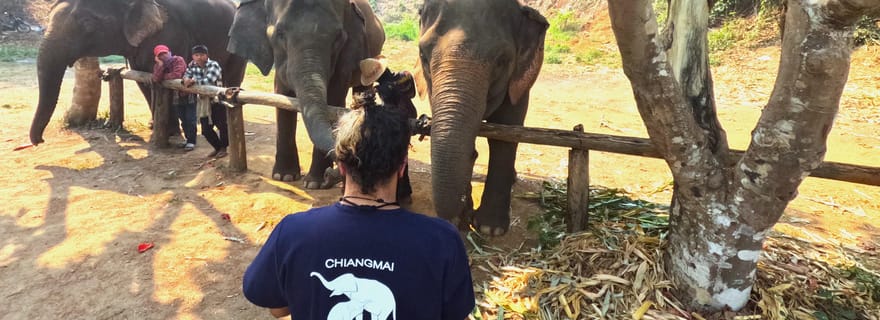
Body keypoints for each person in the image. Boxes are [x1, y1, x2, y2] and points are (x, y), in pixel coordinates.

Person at [242, 91, 475, 320]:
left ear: (341, 166)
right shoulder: (441, 240)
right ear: (402, 166)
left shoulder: (293, 232)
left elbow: (278, 309)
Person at [358, 57, 418, 204]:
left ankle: (400, 193)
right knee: (403, 156)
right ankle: (405, 194)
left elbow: (389, 110)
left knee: (395, 157)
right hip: (410, 117)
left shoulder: (383, 89)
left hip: (396, 125)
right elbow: (412, 95)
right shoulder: (405, 76)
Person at [184, 44, 228, 158]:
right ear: (193, 56)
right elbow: (186, 76)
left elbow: (209, 80)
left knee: (222, 126)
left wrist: (193, 81)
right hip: (203, 102)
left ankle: (224, 148)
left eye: (202, 55)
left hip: (217, 101)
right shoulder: (192, 65)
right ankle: (218, 147)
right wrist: (186, 80)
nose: (199, 57)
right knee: (206, 130)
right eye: (196, 55)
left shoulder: (214, 65)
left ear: (207, 55)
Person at [152, 44, 197, 151]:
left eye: (164, 53)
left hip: (188, 94)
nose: (163, 56)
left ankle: (192, 141)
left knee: (190, 119)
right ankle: (188, 139)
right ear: (157, 57)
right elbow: (156, 79)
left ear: (169, 52)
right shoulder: (159, 65)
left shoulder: (178, 60)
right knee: (183, 119)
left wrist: (163, 77)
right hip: (176, 97)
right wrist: (160, 65)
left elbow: (177, 75)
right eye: (160, 55)